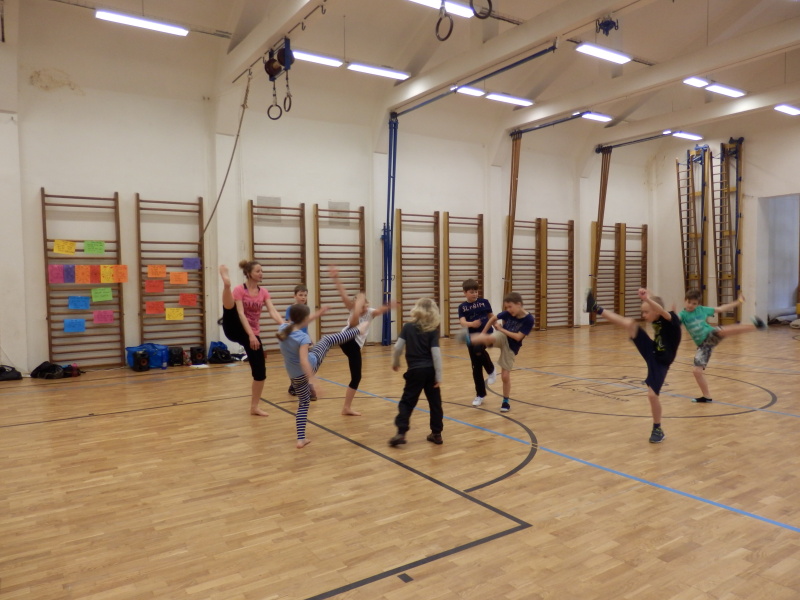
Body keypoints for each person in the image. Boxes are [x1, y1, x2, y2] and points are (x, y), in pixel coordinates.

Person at [585, 287, 681, 443]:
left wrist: (647, 299)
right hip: (652, 350)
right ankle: (595, 308)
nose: (643, 316)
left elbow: (661, 310)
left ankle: (657, 429)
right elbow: (656, 307)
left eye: (646, 312)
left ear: (656, 311)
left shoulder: (671, 320)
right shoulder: (656, 315)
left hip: (661, 362)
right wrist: (648, 296)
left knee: (652, 395)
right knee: (630, 323)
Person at [277, 301, 369, 449]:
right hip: (310, 366)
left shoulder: (282, 329)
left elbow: (300, 321)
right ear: (304, 319)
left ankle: (301, 439)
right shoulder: (302, 338)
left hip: (294, 376)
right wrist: (314, 381)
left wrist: (318, 314)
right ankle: (358, 330)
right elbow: (304, 361)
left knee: (303, 404)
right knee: (327, 339)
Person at [218, 262, 284, 416]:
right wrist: (251, 335)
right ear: (248, 273)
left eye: (262, 270)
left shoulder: (264, 292)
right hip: (235, 327)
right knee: (231, 310)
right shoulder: (240, 289)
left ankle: (254, 407)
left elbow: (272, 311)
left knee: (260, 372)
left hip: (252, 332)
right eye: (258, 271)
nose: (261, 273)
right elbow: (241, 314)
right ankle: (226, 285)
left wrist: (283, 324)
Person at [679, 289, 767, 403]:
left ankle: (756, 327)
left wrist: (738, 302)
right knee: (696, 371)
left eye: (694, 303)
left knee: (723, 331)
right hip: (703, 345)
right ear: (685, 301)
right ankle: (706, 396)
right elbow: (673, 320)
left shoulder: (702, 310)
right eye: (689, 302)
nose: (691, 305)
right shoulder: (683, 314)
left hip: (710, 334)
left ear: (698, 304)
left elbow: (721, 309)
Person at [329, 265, 395, 416]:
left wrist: (389, 306)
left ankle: (346, 407)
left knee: (356, 377)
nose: (364, 307)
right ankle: (346, 408)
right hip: (348, 338)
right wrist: (336, 278)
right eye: (361, 304)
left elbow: (379, 311)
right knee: (354, 322)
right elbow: (343, 295)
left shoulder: (370, 312)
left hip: (351, 345)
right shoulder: (353, 309)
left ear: (367, 304)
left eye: (364, 304)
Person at [459, 292, 534, 413]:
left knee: (505, 376)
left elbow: (518, 337)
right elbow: (493, 318)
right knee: (489, 338)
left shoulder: (529, 319)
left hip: (512, 346)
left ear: (519, 304)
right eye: (506, 307)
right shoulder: (508, 313)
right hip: (502, 336)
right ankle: (469, 339)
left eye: (510, 307)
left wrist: (501, 329)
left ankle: (505, 401)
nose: (508, 310)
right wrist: (483, 333)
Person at [389, 298, 444, 447]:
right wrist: (438, 376)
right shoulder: (433, 330)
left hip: (414, 371)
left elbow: (398, 347)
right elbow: (436, 355)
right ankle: (437, 434)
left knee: (407, 402)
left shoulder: (408, 327)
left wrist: (396, 362)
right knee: (435, 403)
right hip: (430, 371)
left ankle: (401, 433)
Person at [458, 279, 497, 407]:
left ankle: (491, 369)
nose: (475, 294)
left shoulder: (484, 302)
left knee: (478, 350)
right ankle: (480, 395)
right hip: (472, 337)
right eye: (471, 292)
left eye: (476, 291)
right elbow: (462, 322)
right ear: (465, 293)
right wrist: (471, 324)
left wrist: (497, 326)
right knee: (476, 367)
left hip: (486, 334)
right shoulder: (462, 307)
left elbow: (491, 316)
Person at [285, 284, 311, 398]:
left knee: (304, 363)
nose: (303, 297)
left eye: (305, 295)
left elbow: (305, 327)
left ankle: (301, 386)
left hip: (303, 341)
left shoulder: (306, 309)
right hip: (294, 340)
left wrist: (310, 339)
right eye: (300, 295)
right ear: (294, 296)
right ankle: (293, 386)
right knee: (295, 364)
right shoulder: (291, 309)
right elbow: (288, 324)